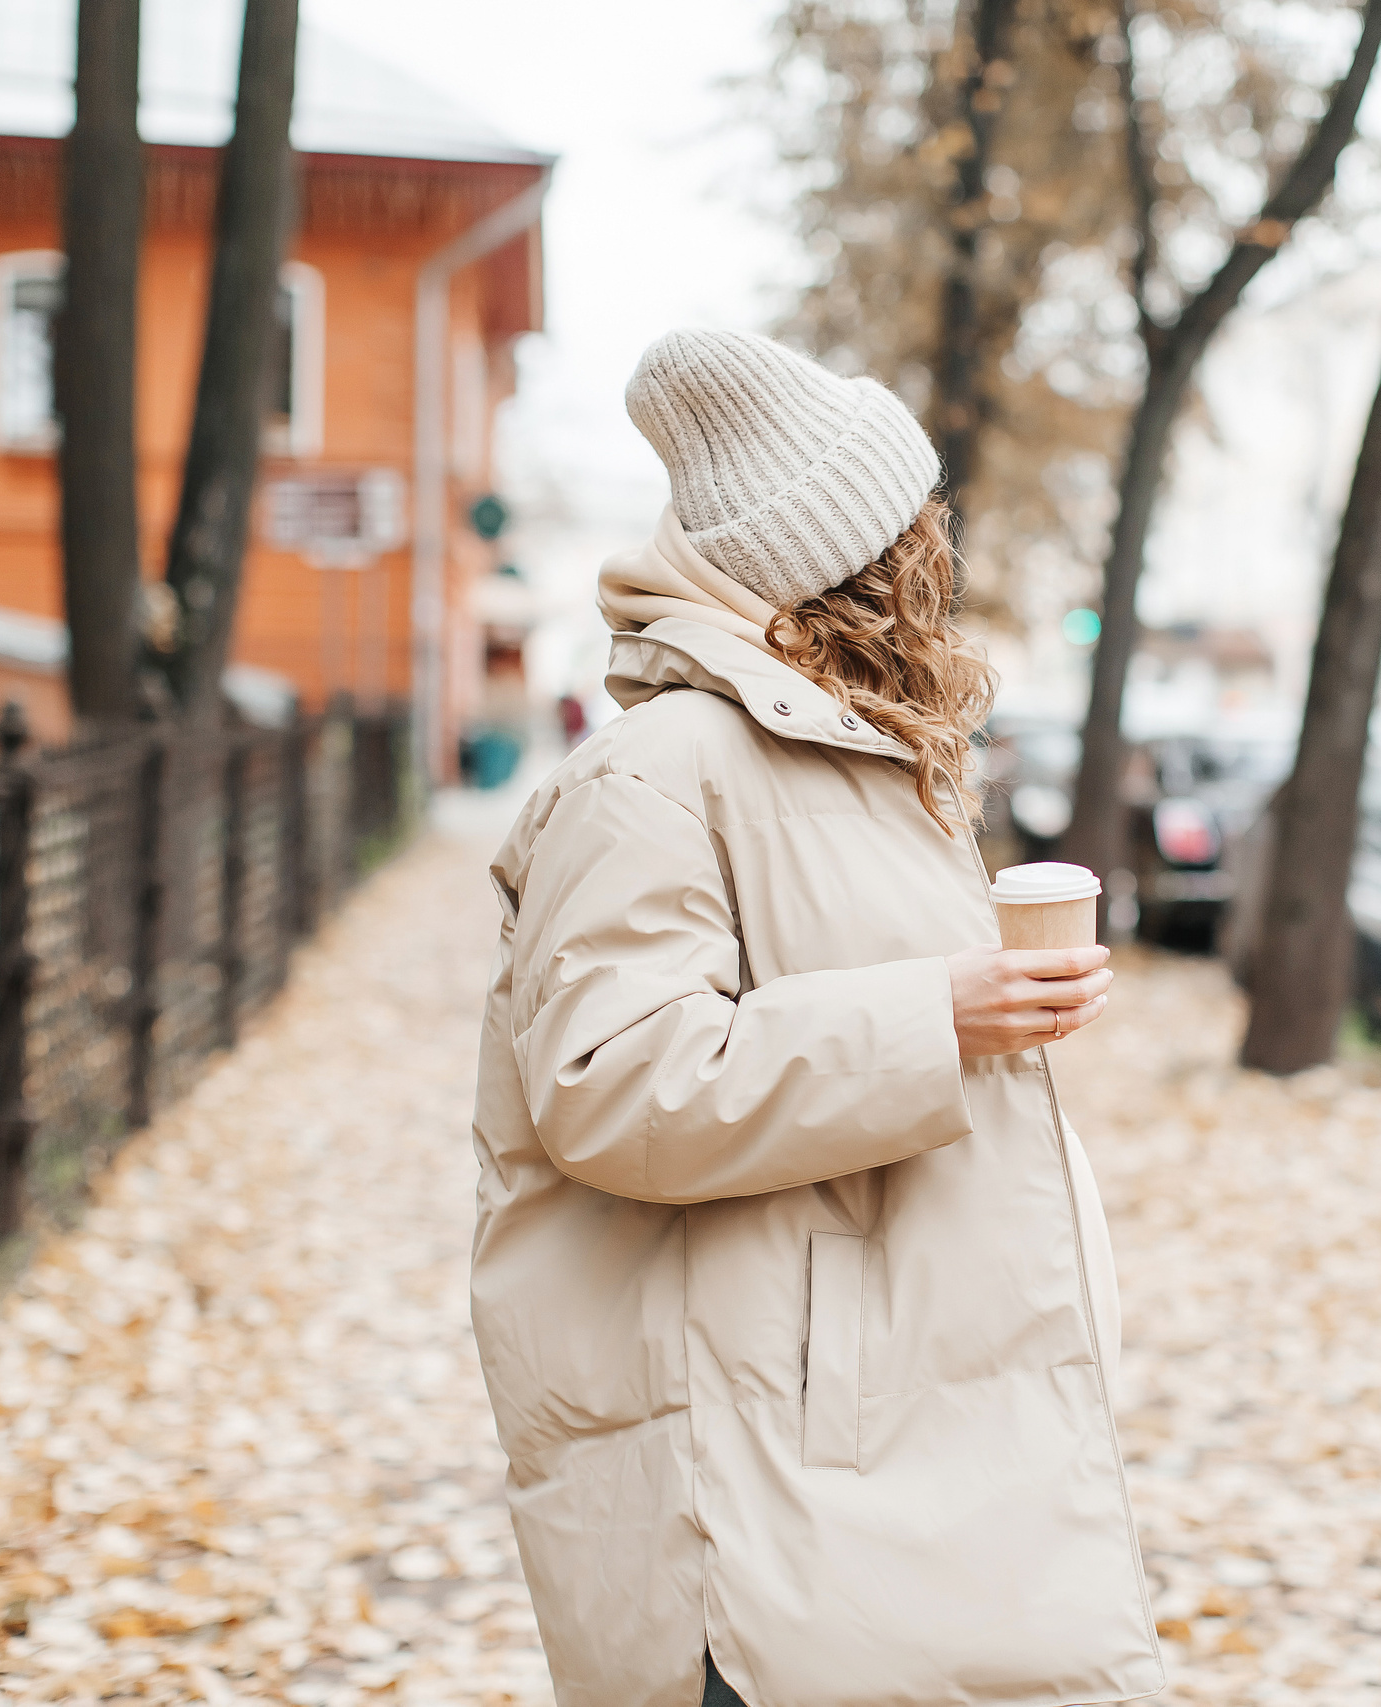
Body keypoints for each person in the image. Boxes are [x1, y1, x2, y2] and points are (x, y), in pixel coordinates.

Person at [469, 329, 1162, 1707]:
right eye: (910, 528)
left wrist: (983, 1009)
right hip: (777, 1467)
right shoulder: (662, 771)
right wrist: (939, 1016)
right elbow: (613, 1080)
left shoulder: (854, 754)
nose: (934, 557)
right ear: (841, 558)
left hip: (900, 1436)